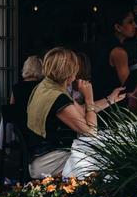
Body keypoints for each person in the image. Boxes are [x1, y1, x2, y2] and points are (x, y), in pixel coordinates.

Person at [26, 47, 102, 178]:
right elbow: (91, 132)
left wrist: (111, 99)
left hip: (39, 155)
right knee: (101, 158)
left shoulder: (46, 86)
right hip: (48, 161)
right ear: (69, 75)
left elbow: (80, 111)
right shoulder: (58, 98)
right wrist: (89, 98)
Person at [91, 6, 137, 100]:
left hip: (99, 101)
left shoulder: (104, 45)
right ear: (118, 27)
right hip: (111, 105)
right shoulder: (119, 52)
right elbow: (128, 86)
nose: (135, 25)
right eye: (130, 22)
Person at [10, 55, 43, 125]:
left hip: (20, 128)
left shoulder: (16, 87)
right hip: (38, 127)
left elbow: (11, 109)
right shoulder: (43, 87)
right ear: (40, 69)